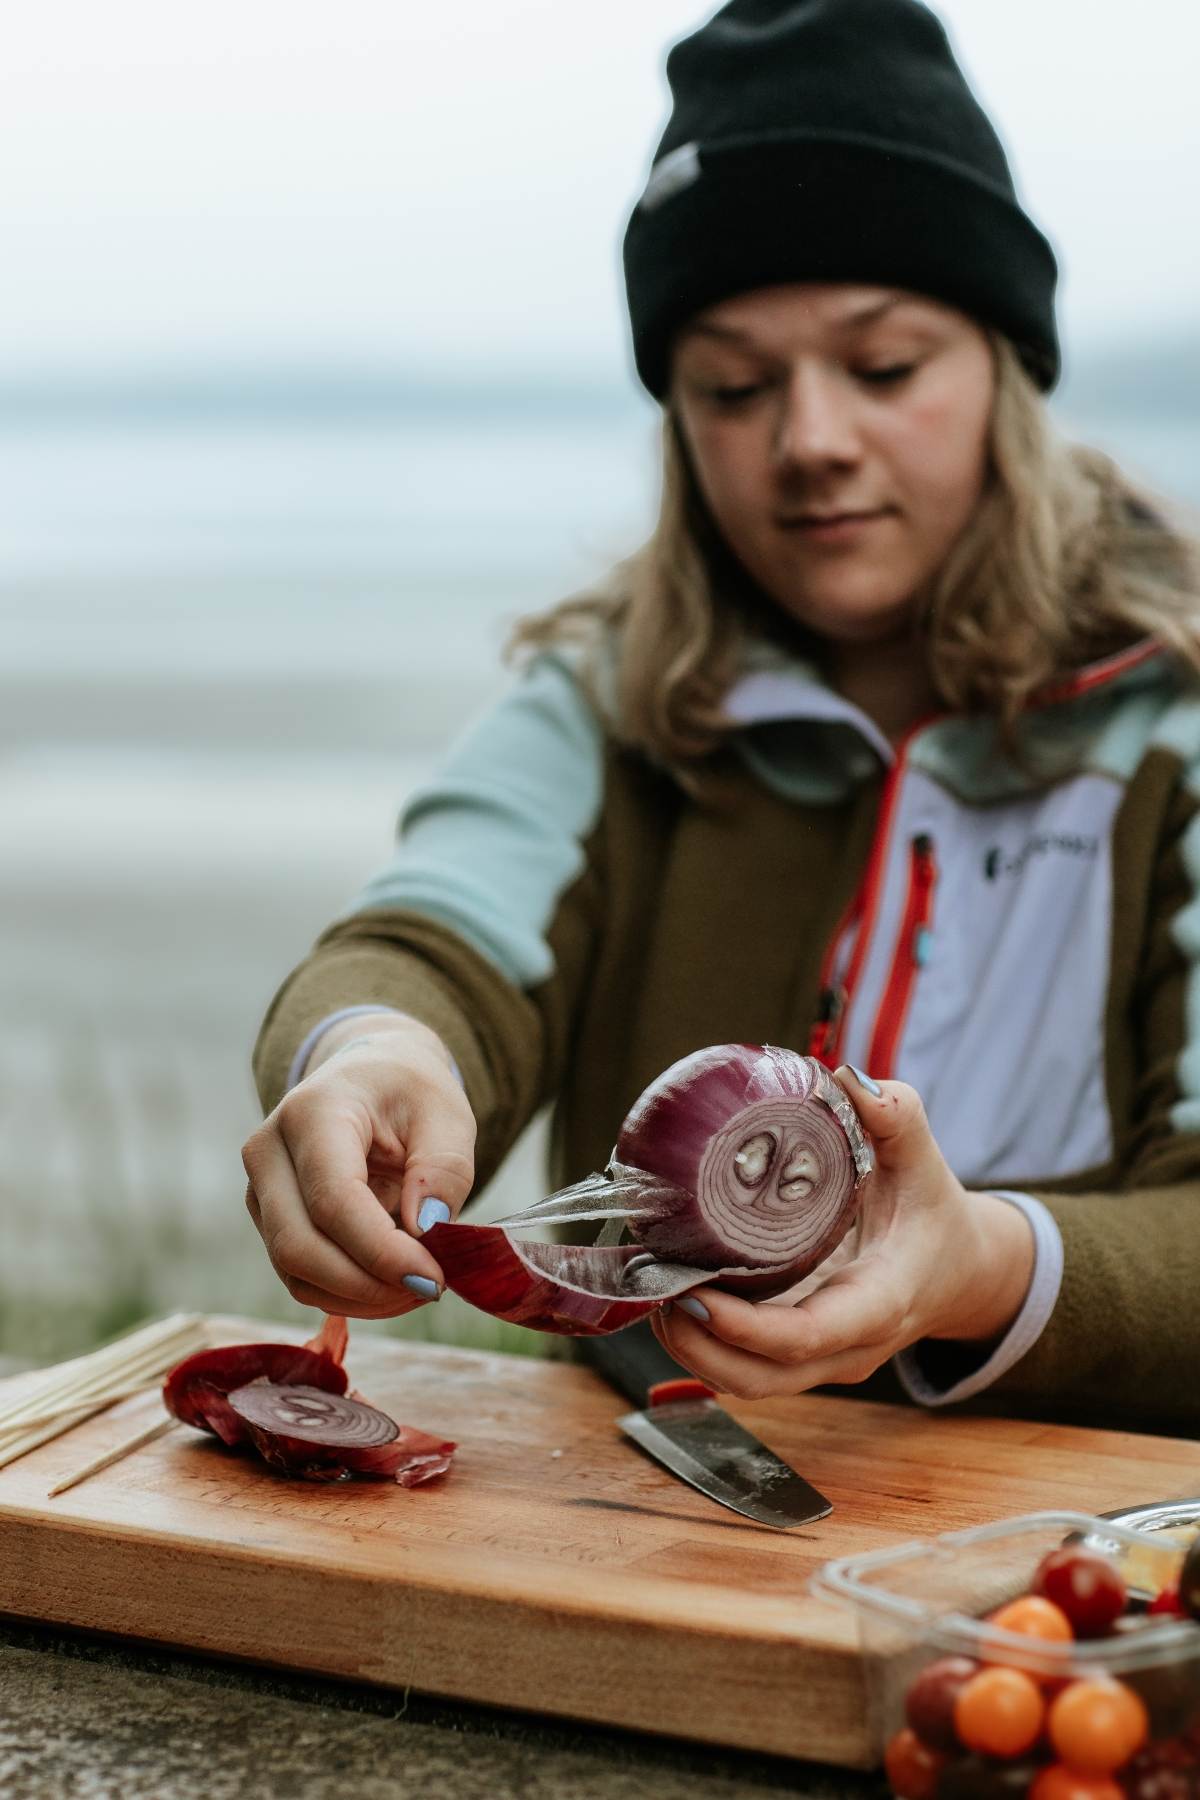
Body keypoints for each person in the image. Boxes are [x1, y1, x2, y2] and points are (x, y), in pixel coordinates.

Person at [244, 0, 1200, 1435]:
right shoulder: (608, 698)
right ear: (678, 417)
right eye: (735, 386)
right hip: (649, 1501)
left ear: (1005, 371)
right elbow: (428, 938)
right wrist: (373, 1057)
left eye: (884, 368)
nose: (812, 439)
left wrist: (982, 1269)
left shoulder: (1171, 721)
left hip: (1056, 1559)